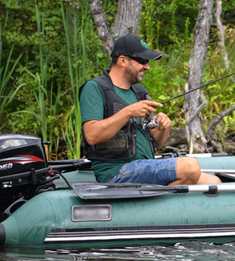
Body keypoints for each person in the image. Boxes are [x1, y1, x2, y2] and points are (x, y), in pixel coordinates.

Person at [79, 34, 221, 186]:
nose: (147, 66)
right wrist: (128, 112)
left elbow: (156, 143)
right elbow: (92, 135)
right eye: (142, 61)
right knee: (190, 167)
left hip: (143, 167)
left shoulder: (139, 93)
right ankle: (159, 204)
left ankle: (157, 201)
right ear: (122, 61)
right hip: (116, 171)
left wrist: (162, 127)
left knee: (214, 181)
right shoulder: (95, 88)